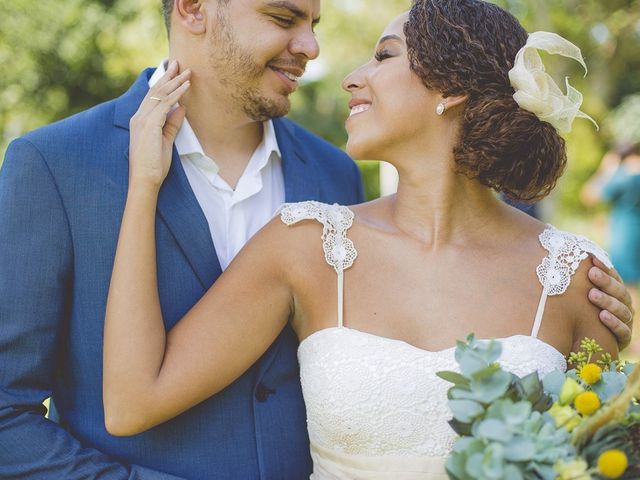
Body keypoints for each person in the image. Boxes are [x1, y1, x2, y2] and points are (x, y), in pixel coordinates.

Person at [102, 0, 636, 478]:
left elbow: (608, 450)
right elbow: (132, 403)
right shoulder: (306, 246)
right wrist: (143, 184)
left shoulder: (571, 275)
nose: (352, 77)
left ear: (451, 88)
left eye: (384, 56)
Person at [0, 0, 366, 478]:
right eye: (282, 18)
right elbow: (8, 414)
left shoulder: (336, 175)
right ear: (194, 9)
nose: (311, 47)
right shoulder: (54, 164)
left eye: (313, 25)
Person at [582, 142, 640, 355]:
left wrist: (606, 169)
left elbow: (589, 195)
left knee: (630, 288)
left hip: (626, 235)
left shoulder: (625, 176)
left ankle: (637, 340)